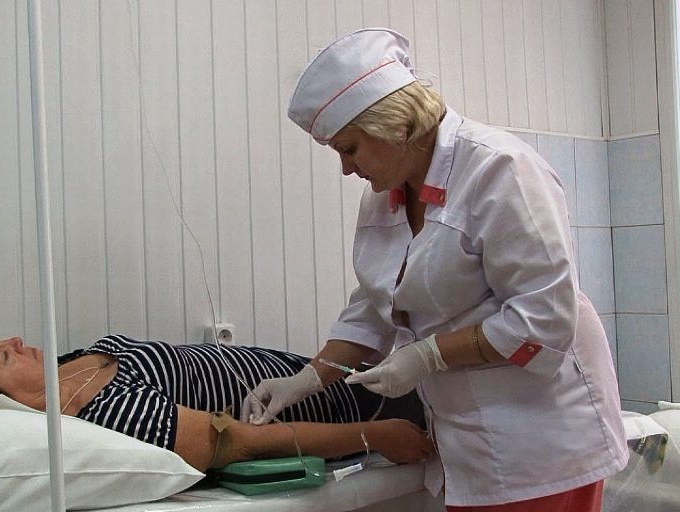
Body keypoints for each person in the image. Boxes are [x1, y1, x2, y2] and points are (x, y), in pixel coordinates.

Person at [240, 28, 628, 511]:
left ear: (394, 126)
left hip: (543, 436)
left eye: (349, 148)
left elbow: (544, 318)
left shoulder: (499, 169)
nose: (346, 168)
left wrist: (428, 356)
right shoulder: (384, 197)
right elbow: (376, 307)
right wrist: (306, 380)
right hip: (465, 438)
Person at [0, 320, 433, 472]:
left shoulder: (65, 365)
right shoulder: (108, 417)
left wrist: (310, 372)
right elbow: (243, 442)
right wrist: (372, 435)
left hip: (318, 375)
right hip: (346, 410)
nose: (14, 342)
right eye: (1, 357)